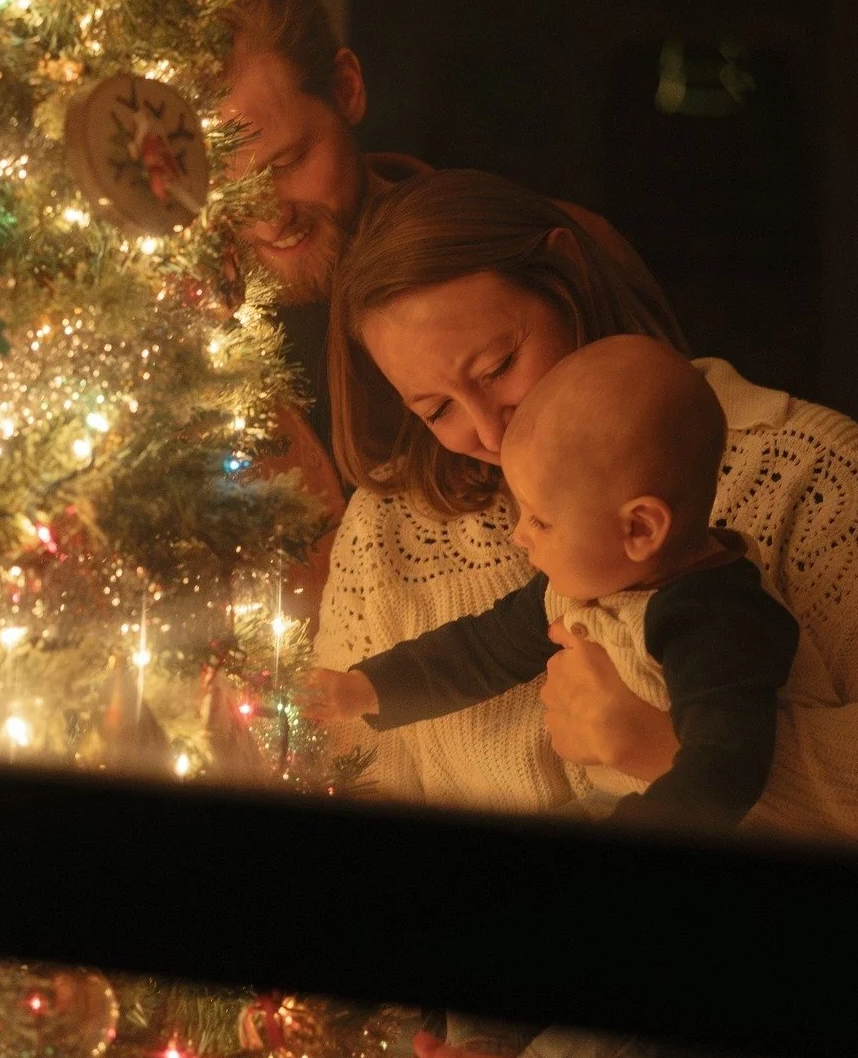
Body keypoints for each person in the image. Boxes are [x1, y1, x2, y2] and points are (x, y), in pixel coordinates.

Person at [315, 166, 858, 1058]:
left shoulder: (802, 472)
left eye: (497, 366)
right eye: (433, 406)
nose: (485, 429)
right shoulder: (392, 529)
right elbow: (367, 774)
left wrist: (654, 746)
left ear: (566, 277)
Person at [217, 0, 660, 624]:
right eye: (227, 189)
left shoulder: (551, 256)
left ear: (346, 89)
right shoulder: (178, 353)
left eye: (286, 163)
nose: (266, 216)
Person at [307, 333, 823, 838]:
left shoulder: (717, 622)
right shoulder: (592, 582)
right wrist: (365, 688)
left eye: (541, 520)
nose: (519, 534)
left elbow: (723, 773)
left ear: (640, 529)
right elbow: (480, 650)